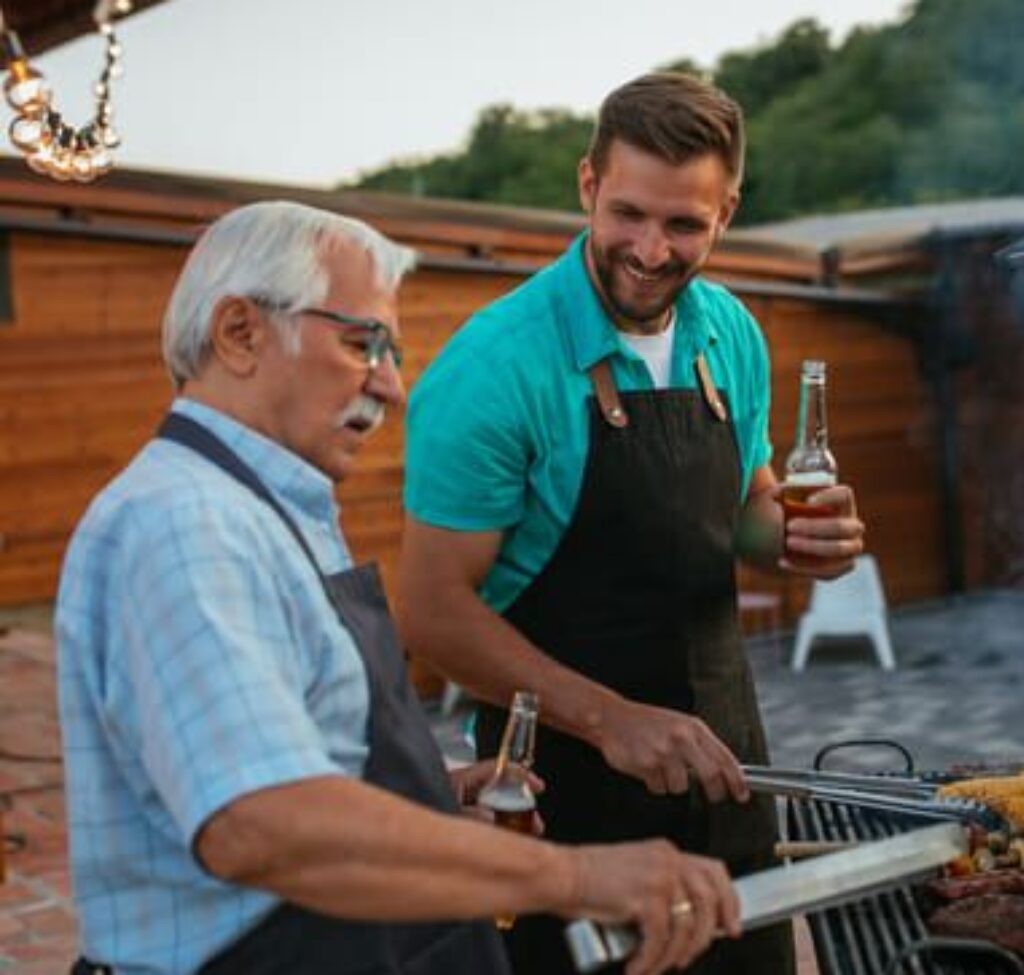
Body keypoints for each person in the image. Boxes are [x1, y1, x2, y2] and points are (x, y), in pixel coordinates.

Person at [55, 200, 740, 975]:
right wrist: (579, 876)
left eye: (392, 353)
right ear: (240, 332)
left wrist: (424, 789)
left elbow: (273, 749)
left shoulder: (263, 504)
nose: (391, 386)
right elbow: (261, 824)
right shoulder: (186, 523)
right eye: (362, 343)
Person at [399, 73, 865, 975]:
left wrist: (800, 539)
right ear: (586, 186)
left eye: (685, 225)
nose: (650, 251)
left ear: (727, 210)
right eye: (629, 214)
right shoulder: (492, 370)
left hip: (731, 766)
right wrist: (609, 720)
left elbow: (745, 513)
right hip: (561, 802)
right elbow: (429, 613)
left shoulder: (729, 332)